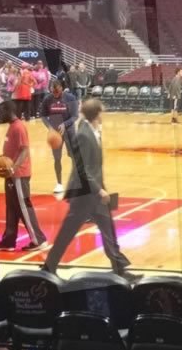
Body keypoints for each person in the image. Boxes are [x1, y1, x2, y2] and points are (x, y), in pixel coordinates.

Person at [42, 98, 131, 274]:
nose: (103, 114)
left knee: (108, 229)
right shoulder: (83, 134)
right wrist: (99, 189)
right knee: (67, 232)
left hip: (94, 191)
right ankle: (48, 267)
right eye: (102, 111)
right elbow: (82, 168)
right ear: (96, 114)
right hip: (83, 192)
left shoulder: (93, 129)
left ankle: (119, 268)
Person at [0, 99, 45, 251]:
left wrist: (13, 168)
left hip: (19, 175)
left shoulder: (19, 127)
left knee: (23, 207)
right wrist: (2, 159)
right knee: (12, 208)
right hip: (11, 175)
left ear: (9, 111)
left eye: (1, 111)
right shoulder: (11, 127)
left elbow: (24, 150)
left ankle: (38, 240)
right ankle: (9, 241)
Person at [41, 79, 79, 195]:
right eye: (53, 91)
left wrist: (65, 124)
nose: (55, 94)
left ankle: (75, 183)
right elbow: (43, 116)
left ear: (62, 88)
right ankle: (59, 183)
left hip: (69, 130)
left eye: (57, 91)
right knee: (57, 158)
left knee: (73, 156)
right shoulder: (47, 99)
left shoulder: (70, 98)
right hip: (55, 132)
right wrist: (50, 127)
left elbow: (75, 116)